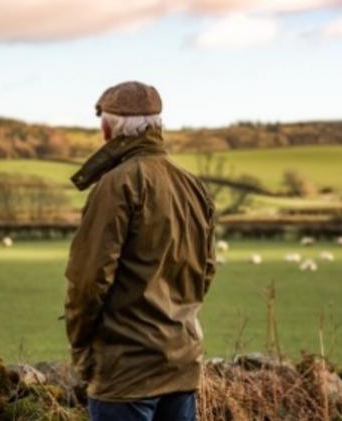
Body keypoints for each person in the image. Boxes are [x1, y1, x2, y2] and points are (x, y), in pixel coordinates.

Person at [64, 81, 216, 421]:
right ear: (157, 126)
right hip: (181, 363)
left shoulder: (117, 184)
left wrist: (81, 343)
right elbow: (205, 269)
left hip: (126, 371)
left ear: (107, 128)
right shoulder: (192, 185)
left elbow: (88, 279)